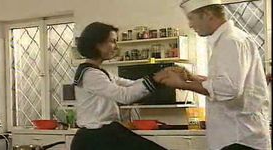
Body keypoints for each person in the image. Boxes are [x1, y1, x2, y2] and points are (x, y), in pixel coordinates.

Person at [156, 1, 271, 150]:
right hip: (237, 138)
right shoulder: (230, 39)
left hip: (239, 139)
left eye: (191, 18)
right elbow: (227, 81)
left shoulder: (230, 41)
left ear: (208, 15)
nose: (190, 25)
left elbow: (229, 88)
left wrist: (182, 84)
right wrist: (193, 78)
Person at [70, 22, 167, 150]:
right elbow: (124, 96)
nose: (115, 47)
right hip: (95, 138)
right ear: (98, 44)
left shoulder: (99, 72)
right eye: (112, 41)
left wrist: (161, 78)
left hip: (105, 134)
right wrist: (157, 79)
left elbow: (131, 84)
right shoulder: (90, 74)